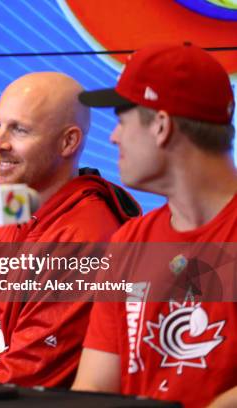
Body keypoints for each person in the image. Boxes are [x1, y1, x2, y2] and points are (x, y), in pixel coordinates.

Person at [0, 72, 141, 387]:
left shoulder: (85, 237)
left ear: (68, 141)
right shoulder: (14, 213)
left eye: (19, 129)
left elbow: (25, 379)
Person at [72, 43, 237, 408]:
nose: (113, 137)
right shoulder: (130, 240)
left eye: (121, 119)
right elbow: (95, 387)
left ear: (161, 126)